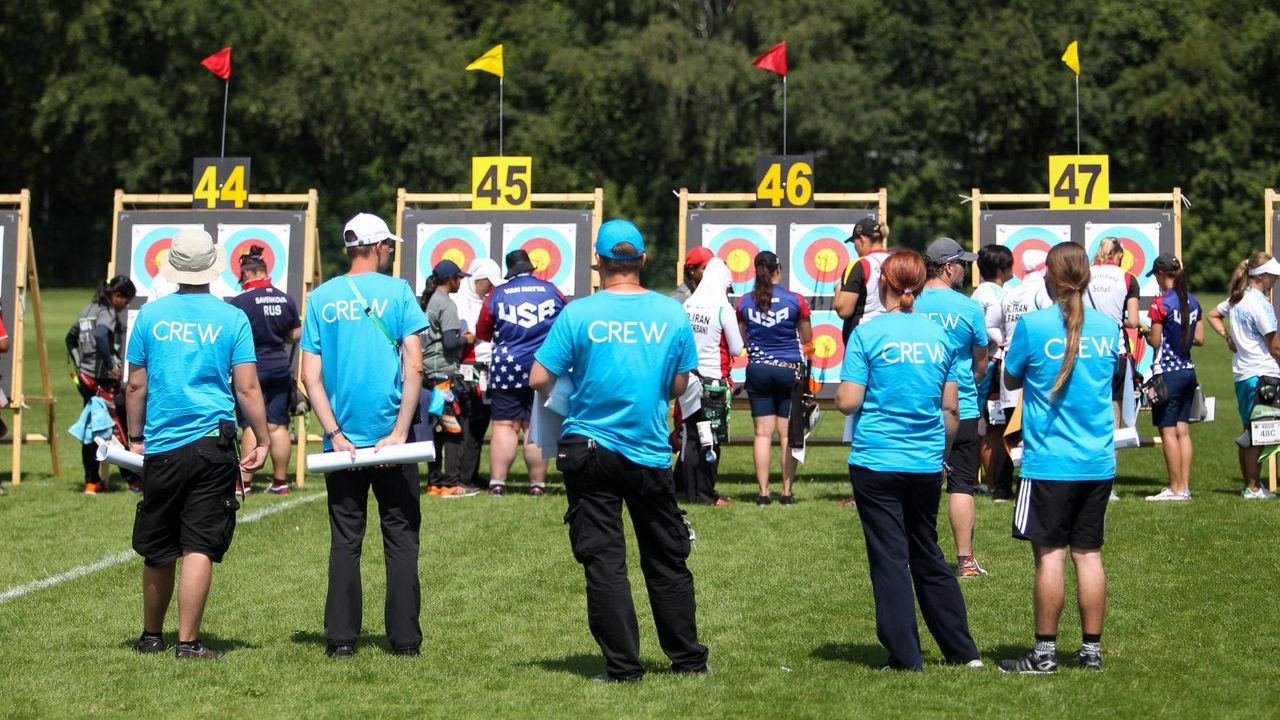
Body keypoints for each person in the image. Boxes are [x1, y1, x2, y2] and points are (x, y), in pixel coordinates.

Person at [530, 218, 709, 683]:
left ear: (599, 263)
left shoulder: (578, 314)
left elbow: (538, 377)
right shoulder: (672, 314)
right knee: (666, 558)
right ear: (643, 261)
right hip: (648, 451)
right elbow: (678, 383)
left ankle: (624, 668)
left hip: (588, 449)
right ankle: (688, 660)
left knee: (604, 562)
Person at [125, 228, 269, 659]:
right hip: (212, 444)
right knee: (199, 545)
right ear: (213, 266)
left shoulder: (150, 316)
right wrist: (262, 438)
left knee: (158, 546)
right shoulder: (232, 318)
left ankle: (151, 637)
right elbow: (247, 389)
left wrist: (135, 439)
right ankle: (188, 643)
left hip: (163, 444)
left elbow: (135, 386)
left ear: (172, 268)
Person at [837, 249, 981, 671]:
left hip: (877, 459)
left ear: (883, 283)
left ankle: (905, 656)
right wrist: (941, 455)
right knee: (928, 553)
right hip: (924, 461)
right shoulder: (940, 336)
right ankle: (963, 651)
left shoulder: (868, 333)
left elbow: (847, 402)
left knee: (889, 560)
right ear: (918, 285)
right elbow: (951, 410)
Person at [299, 212, 428, 657]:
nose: (390, 253)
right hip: (392, 436)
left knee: (345, 540)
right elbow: (415, 364)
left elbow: (309, 376)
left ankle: (339, 641)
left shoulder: (321, 297)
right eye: (387, 246)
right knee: (401, 537)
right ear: (375, 247)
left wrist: (333, 432)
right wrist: (400, 431)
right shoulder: (398, 292)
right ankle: (406, 641)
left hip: (343, 443)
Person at [1000, 242, 1119, 673]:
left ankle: (1045, 653)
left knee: (1049, 557)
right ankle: (1091, 652)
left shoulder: (1033, 326)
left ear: (1048, 276)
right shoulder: (1109, 328)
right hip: (1097, 461)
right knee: (1088, 555)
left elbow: (1011, 376)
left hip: (1050, 461)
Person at [915, 237, 989, 578]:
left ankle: (920, 555)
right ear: (948, 267)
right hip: (962, 406)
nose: (966, 269)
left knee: (918, 483)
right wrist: (970, 382)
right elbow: (981, 362)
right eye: (962, 263)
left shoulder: (911, 302)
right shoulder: (969, 306)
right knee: (961, 484)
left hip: (919, 405)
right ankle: (965, 561)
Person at [475, 248, 565, 496]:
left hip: (506, 368)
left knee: (504, 426)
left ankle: (497, 484)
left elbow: (482, 330)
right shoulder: (551, 289)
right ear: (530, 268)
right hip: (544, 367)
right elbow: (566, 322)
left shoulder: (497, 293)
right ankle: (537, 485)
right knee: (536, 425)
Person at [737, 251, 812, 505]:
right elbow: (807, 336)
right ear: (778, 269)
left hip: (758, 369)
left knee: (762, 434)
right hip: (789, 370)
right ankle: (787, 493)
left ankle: (763, 493)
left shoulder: (745, 302)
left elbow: (743, 338)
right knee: (787, 434)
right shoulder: (795, 300)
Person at [1206, 252, 1280, 500]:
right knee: (1259, 432)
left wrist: (1228, 338)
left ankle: (1252, 486)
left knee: (1250, 430)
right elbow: (1275, 346)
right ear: (1264, 276)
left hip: (1243, 375)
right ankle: (1254, 488)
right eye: (1274, 276)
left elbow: (1213, 314)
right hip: (1264, 375)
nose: (1276, 281)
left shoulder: (1237, 299)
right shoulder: (1261, 304)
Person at [228, 246, 301, 495]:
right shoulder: (285, 298)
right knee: (277, 425)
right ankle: (280, 482)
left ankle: (245, 483)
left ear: (247, 274)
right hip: (280, 368)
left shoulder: (241, 302)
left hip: (251, 371)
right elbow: (295, 334)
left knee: (250, 424)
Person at [832, 217, 890, 507]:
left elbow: (844, 309)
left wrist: (836, 292)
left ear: (863, 239)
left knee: (861, 417)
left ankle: (863, 492)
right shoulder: (896, 261)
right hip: (894, 343)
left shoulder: (860, 265)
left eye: (855, 242)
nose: (855, 247)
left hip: (864, 345)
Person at [678, 257, 744, 505]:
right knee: (710, 439)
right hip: (713, 383)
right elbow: (737, 348)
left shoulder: (688, 306)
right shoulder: (722, 309)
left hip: (688, 378)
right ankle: (705, 494)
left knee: (690, 437)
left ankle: (686, 491)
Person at [67, 275, 139, 494]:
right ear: (117, 296)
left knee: (92, 430)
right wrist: (110, 365)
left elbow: (69, 339)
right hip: (104, 382)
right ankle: (133, 480)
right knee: (118, 429)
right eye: (125, 302)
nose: (124, 306)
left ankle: (91, 480)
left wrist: (80, 364)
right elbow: (100, 336)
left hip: (86, 381)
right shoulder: (106, 312)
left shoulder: (87, 310)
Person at [1144, 254, 1202, 501]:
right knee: (1183, 432)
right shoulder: (1192, 300)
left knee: (1167, 432)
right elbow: (1199, 339)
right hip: (1188, 371)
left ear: (1160, 274)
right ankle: (1185, 486)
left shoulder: (1161, 303)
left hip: (1166, 373)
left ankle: (1176, 488)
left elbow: (1155, 341)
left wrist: (1146, 332)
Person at [420, 259, 479, 498]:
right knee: (454, 430)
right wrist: (468, 338)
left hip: (429, 374)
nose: (461, 281)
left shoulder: (430, 300)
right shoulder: (446, 304)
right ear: (450, 279)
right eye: (459, 277)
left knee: (435, 430)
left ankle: (434, 482)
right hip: (444, 376)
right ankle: (452, 483)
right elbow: (450, 342)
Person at [452, 258, 502, 487]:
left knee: (481, 422)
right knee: (467, 422)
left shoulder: (488, 300)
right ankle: (461, 476)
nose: (491, 288)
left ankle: (471, 474)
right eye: (488, 283)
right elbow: (466, 335)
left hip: (487, 370)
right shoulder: (459, 299)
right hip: (468, 369)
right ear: (477, 280)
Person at [973, 245, 1014, 501]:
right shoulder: (984, 293)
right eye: (1009, 264)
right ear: (1000, 268)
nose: (1013, 268)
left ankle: (991, 480)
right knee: (989, 422)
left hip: (997, 360)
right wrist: (1001, 341)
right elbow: (982, 326)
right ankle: (989, 481)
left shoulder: (1003, 290)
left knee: (995, 423)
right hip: (989, 361)